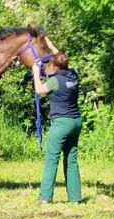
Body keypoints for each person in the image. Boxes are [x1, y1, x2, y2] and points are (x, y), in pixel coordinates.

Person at [32, 37, 82, 204]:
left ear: (54, 66)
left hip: (61, 123)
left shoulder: (55, 81)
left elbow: (39, 90)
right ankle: (75, 198)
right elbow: (61, 57)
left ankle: (45, 197)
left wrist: (35, 72)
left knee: (52, 159)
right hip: (76, 122)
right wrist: (48, 41)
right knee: (71, 159)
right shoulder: (73, 75)